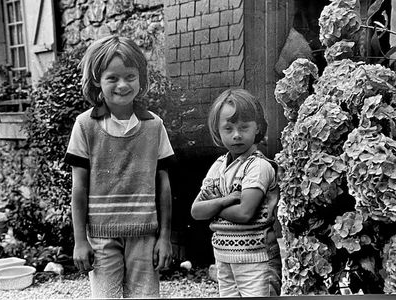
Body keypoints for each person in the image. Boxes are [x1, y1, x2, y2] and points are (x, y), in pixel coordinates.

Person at [64, 35, 175, 298]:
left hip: (144, 235)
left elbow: (164, 186)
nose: (123, 85)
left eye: (130, 76)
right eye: (112, 78)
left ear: (141, 78)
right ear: (97, 81)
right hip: (101, 237)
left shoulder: (154, 125)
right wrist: (80, 241)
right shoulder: (85, 125)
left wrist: (165, 237)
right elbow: (78, 189)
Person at [191, 88, 282, 297]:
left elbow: (244, 214)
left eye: (244, 127)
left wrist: (214, 203)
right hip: (224, 257)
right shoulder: (218, 166)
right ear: (218, 130)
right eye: (229, 128)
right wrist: (225, 201)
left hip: (256, 258)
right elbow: (196, 211)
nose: (237, 134)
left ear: (257, 127)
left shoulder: (258, 166)